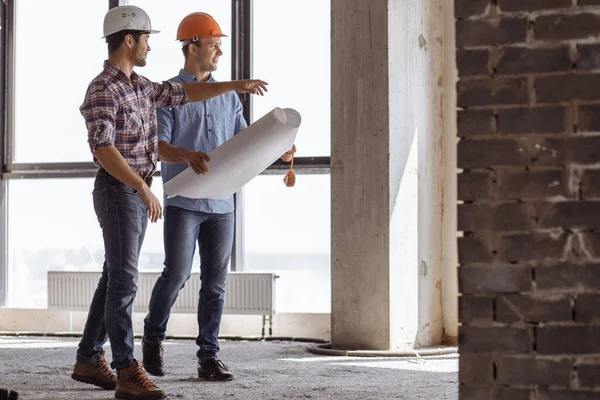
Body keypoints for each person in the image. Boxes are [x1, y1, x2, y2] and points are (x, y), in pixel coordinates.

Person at [71, 6, 268, 400]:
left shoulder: (142, 87)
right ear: (129, 39)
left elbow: (189, 92)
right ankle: (127, 369)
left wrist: (235, 85)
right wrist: (143, 189)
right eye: (147, 39)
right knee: (124, 282)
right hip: (118, 191)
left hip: (136, 192)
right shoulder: (102, 89)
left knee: (113, 277)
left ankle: (89, 358)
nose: (150, 47)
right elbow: (103, 148)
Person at [141, 12, 295, 381]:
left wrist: (279, 152)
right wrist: (187, 156)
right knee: (176, 274)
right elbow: (158, 147)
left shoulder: (229, 99)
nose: (220, 53)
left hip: (223, 204)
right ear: (192, 46)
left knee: (215, 282)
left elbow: (245, 145)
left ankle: (208, 357)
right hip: (184, 202)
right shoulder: (169, 94)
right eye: (214, 45)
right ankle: (152, 338)